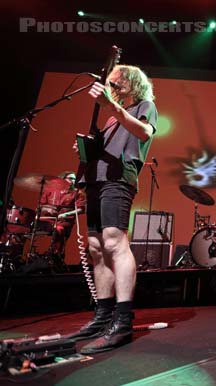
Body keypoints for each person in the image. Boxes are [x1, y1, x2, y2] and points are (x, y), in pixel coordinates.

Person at [66, 65, 157, 354]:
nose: (111, 89)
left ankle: (122, 321)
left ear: (132, 85)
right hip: (96, 179)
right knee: (95, 246)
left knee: (115, 242)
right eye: (110, 84)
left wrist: (113, 108)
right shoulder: (109, 119)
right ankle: (103, 317)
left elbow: (143, 132)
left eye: (116, 84)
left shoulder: (146, 106)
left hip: (118, 178)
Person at [39, 171, 86, 266]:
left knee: (59, 230)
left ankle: (55, 256)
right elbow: (41, 206)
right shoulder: (51, 191)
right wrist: (47, 209)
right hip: (48, 219)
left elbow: (81, 209)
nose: (73, 181)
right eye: (70, 178)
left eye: (74, 179)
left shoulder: (77, 193)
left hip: (64, 221)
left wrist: (64, 215)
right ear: (62, 179)